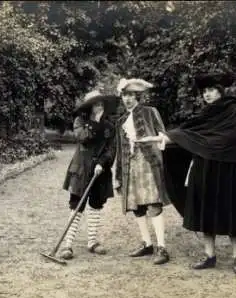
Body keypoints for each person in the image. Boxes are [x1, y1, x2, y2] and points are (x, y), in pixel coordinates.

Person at [161, 72, 236, 274]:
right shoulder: (206, 114)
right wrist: (170, 138)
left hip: (229, 168)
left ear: (220, 91)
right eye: (204, 91)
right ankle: (209, 255)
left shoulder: (233, 110)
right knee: (205, 207)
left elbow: (234, 137)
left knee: (231, 209)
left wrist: (205, 144)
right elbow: (191, 134)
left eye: (211, 90)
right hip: (206, 166)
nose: (207, 94)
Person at [114, 78, 171, 265]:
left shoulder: (149, 112)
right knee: (136, 206)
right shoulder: (121, 121)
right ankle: (147, 243)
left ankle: (162, 247)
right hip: (130, 166)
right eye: (124, 95)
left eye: (131, 95)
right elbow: (119, 150)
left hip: (148, 164)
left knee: (153, 204)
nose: (127, 99)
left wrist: (150, 140)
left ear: (137, 95)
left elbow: (163, 136)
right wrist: (118, 176)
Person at [59, 90, 117, 260]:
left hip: (101, 170)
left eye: (101, 104)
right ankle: (68, 245)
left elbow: (111, 149)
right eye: (95, 104)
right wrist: (95, 123)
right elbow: (82, 138)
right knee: (76, 204)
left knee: (96, 204)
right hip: (82, 168)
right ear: (90, 107)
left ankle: (92, 242)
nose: (99, 107)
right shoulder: (80, 122)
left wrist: (102, 163)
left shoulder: (110, 127)